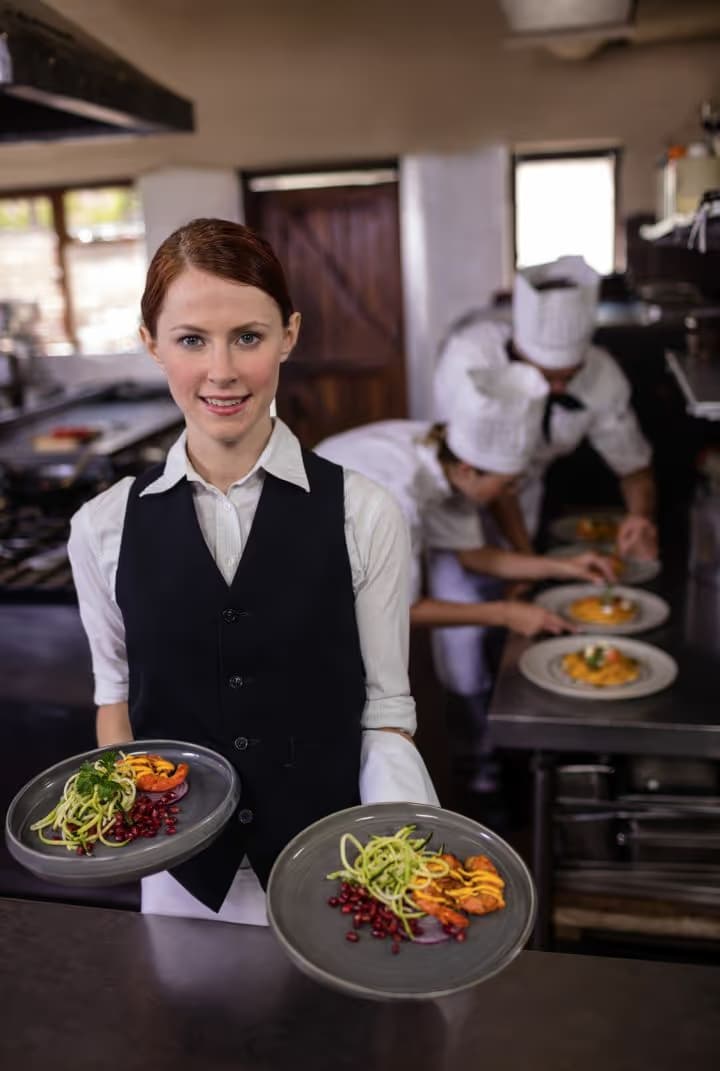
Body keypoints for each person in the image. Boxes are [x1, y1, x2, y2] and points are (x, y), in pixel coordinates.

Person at [67, 217, 437, 925]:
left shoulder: (364, 512)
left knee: (338, 1037)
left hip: (334, 863)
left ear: (289, 335)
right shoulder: (101, 527)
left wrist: (399, 860)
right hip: (179, 875)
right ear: (151, 343)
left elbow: (387, 712)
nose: (223, 371)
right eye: (190, 340)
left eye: (249, 336)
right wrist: (135, 828)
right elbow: (115, 703)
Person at [315, 363, 614, 640]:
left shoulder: (443, 459)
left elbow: (474, 555)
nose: (511, 494)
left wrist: (566, 567)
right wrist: (505, 614)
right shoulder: (396, 498)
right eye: (507, 484)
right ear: (468, 470)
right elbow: (396, 611)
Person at [433, 255, 657, 559]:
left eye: (570, 375)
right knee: (467, 596)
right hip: (456, 504)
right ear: (519, 353)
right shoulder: (470, 360)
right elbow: (484, 469)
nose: (560, 389)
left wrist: (640, 516)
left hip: (524, 499)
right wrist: (526, 557)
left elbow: (633, 465)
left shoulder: (602, 374)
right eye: (548, 377)